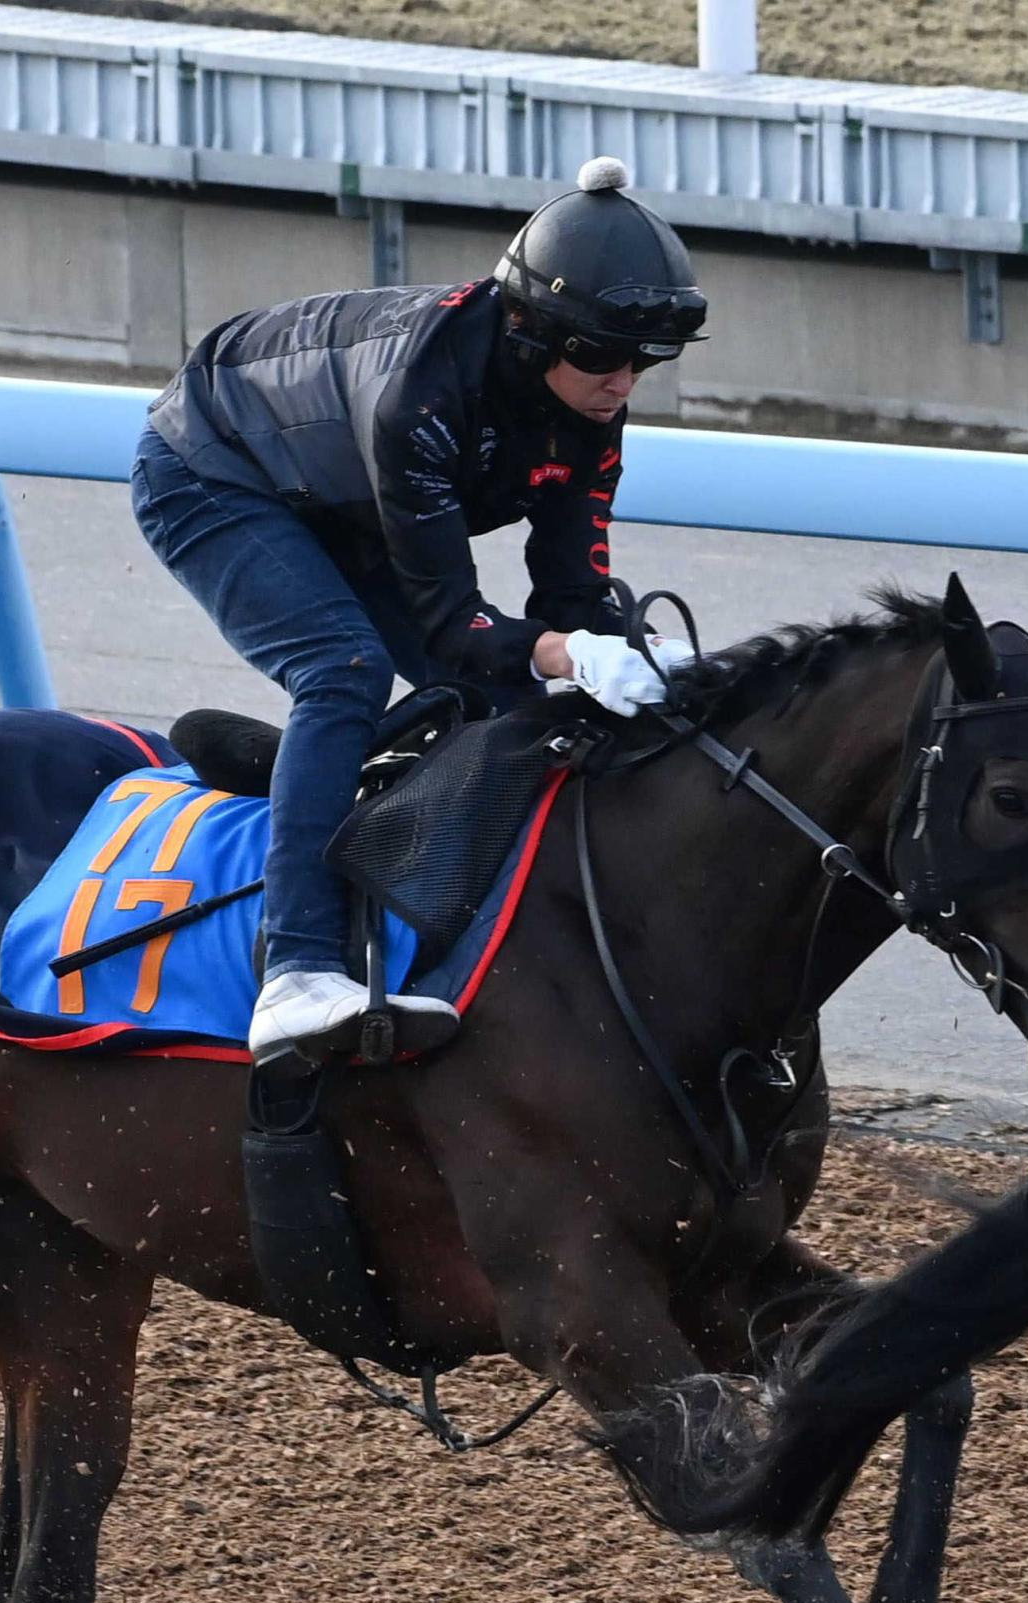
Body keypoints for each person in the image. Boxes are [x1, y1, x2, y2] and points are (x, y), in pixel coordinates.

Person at [134, 156, 707, 1064]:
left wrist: (621, 651)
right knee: (345, 669)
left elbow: (567, 593)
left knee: (507, 701)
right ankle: (295, 969)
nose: (623, 381)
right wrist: (564, 651)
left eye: (647, 357)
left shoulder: (593, 402)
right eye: (599, 354)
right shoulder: (422, 397)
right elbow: (455, 624)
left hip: (339, 489)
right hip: (213, 467)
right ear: (526, 328)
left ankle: (367, 821)